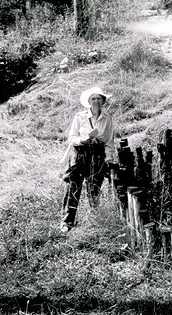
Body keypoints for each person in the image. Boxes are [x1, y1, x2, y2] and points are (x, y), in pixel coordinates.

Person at [60, 86, 115, 234]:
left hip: (97, 155)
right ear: (89, 102)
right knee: (73, 187)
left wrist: (109, 158)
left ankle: (94, 220)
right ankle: (67, 222)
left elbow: (109, 141)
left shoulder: (107, 118)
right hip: (80, 154)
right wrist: (82, 140)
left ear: (103, 101)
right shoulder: (79, 116)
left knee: (94, 188)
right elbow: (71, 138)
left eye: (99, 98)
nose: (96, 101)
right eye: (93, 99)